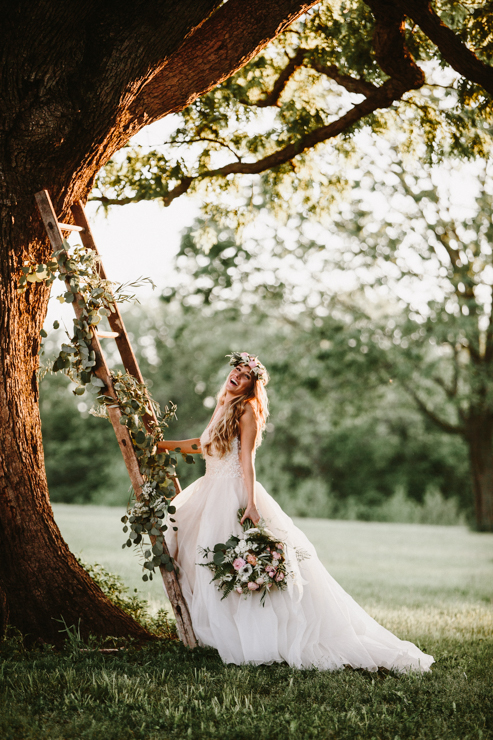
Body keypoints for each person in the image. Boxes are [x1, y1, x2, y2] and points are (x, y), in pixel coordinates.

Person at [158, 352, 434, 672]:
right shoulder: (223, 404)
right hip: (208, 490)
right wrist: (161, 446)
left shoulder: (247, 410)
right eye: (237, 369)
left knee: (233, 562)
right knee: (199, 559)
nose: (238, 375)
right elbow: (201, 445)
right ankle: (216, 630)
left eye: (246, 375)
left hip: (232, 493)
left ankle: (254, 635)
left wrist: (251, 503)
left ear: (251, 386)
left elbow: (246, 460)